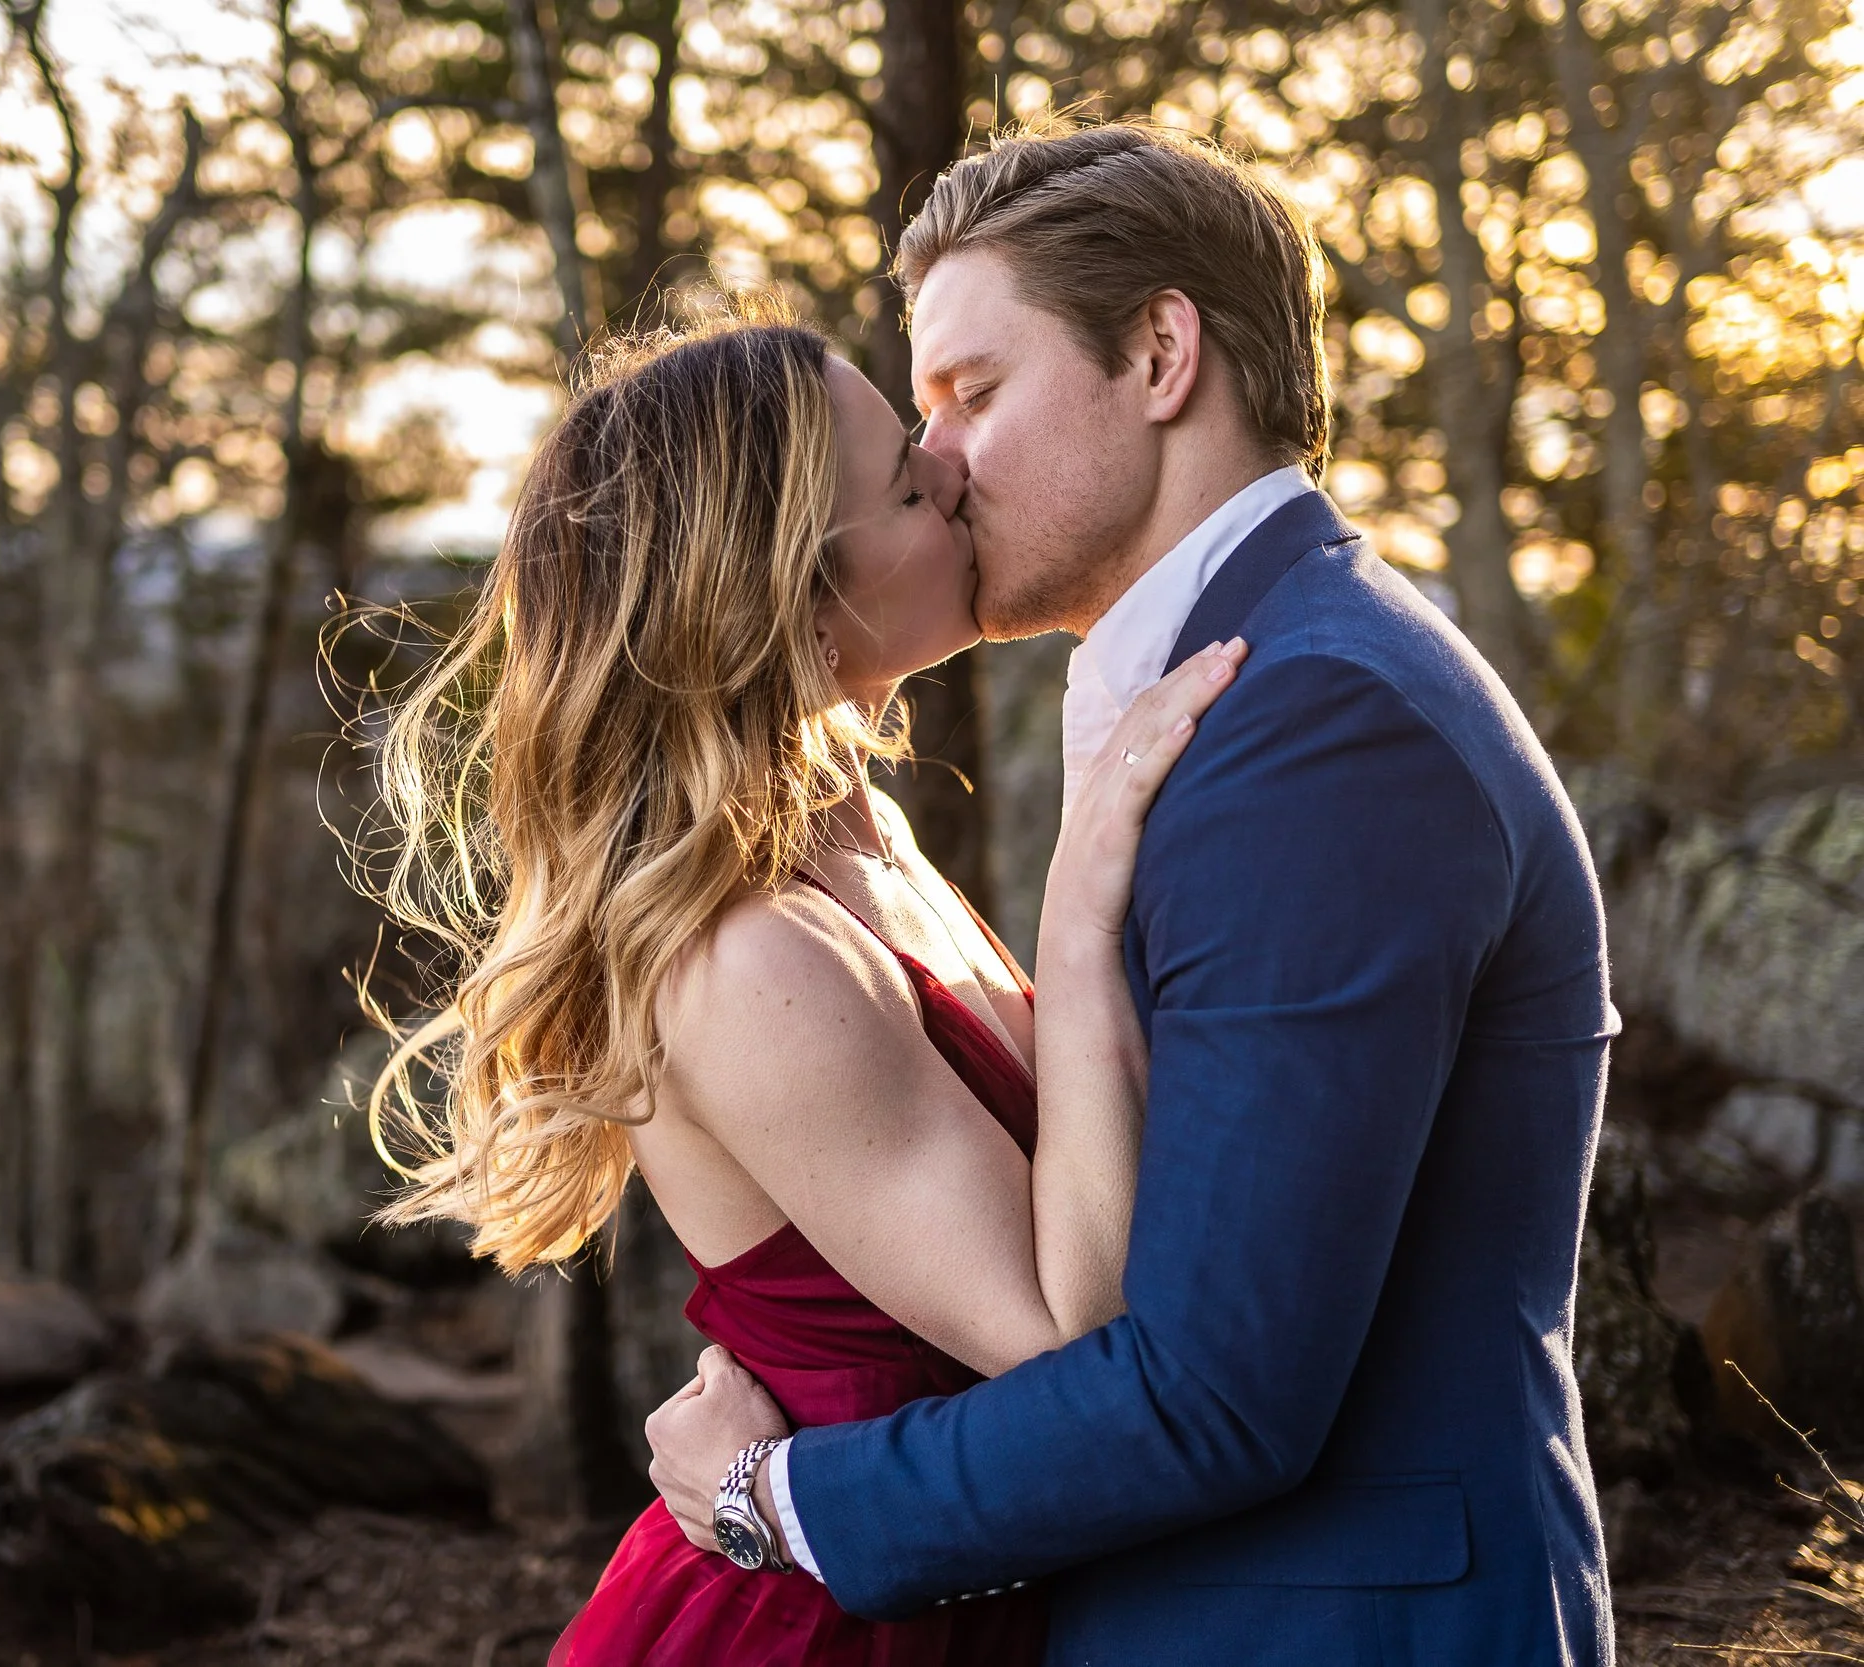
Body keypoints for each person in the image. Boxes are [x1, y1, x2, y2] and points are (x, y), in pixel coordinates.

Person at [642, 121, 1618, 1665]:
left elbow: (1212, 1392)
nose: (940, 460)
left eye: (974, 393)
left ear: (1161, 354)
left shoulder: (1319, 725)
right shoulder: (1258, 683)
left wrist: (781, 1496)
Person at [359, 296, 1245, 1667]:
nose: (954, 465)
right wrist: (1078, 922)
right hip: (816, 1628)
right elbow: (1071, 1343)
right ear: (792, 599)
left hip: (950, 1583)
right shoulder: (745, 952)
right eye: (907, 482)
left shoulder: (855, 829)